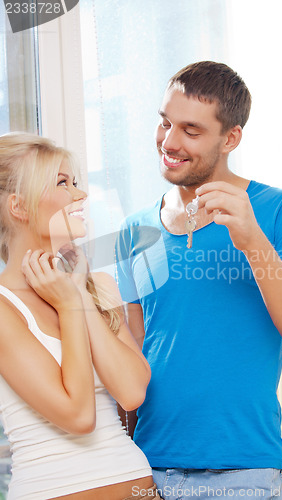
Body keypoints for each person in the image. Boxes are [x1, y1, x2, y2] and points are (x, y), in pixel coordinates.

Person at [116, 61, 282, 499]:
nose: (170, 142)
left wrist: (252, 240)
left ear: (230, 138)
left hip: (242, 474)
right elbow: (133, 361)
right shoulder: (134, 231)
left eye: (191, 131)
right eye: (164, 123)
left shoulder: (278, 209)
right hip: (146, 468)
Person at [0, 133, 162, 500]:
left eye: (76, 182)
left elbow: (132, 392)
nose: (80, 195)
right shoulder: (3, 308)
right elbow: (78, 416)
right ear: (19, 207)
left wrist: (81, 297)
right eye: (63, 183)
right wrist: (70, 305)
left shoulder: (97, 283)